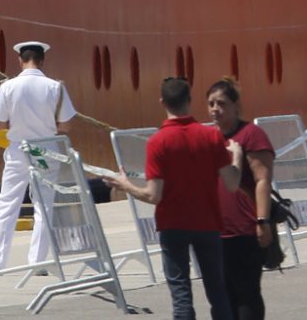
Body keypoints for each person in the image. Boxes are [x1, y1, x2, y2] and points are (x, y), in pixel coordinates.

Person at [106, 78, 243, 320]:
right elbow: (232, 184)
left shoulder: (158, 142)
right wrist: (237, 157)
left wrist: (126, 185)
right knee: (217, 291)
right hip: (207, 223)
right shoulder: (210, 136)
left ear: (162, 102)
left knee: (181, 296)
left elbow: (153, 194)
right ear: (189, 101)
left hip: (173, 224)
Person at [0, 41, 77, 277]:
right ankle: (37, 262)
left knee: (7, 205)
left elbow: (0, 123)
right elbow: (66, 125)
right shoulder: (55, 87)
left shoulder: (8, 87)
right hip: (45, 151)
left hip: (18, 150)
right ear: (42, 60)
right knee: (43, 206)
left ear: (20, 60)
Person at [208, 78, 274, 320]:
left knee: (246, 293)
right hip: (214, 231)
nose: (215, 109)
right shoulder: (208, 138)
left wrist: (262, 221)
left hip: (244, 229)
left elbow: (262, 180)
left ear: (236, 106)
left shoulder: (251, 135)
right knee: (221, 296)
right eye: (211, 103)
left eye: (221, 103)